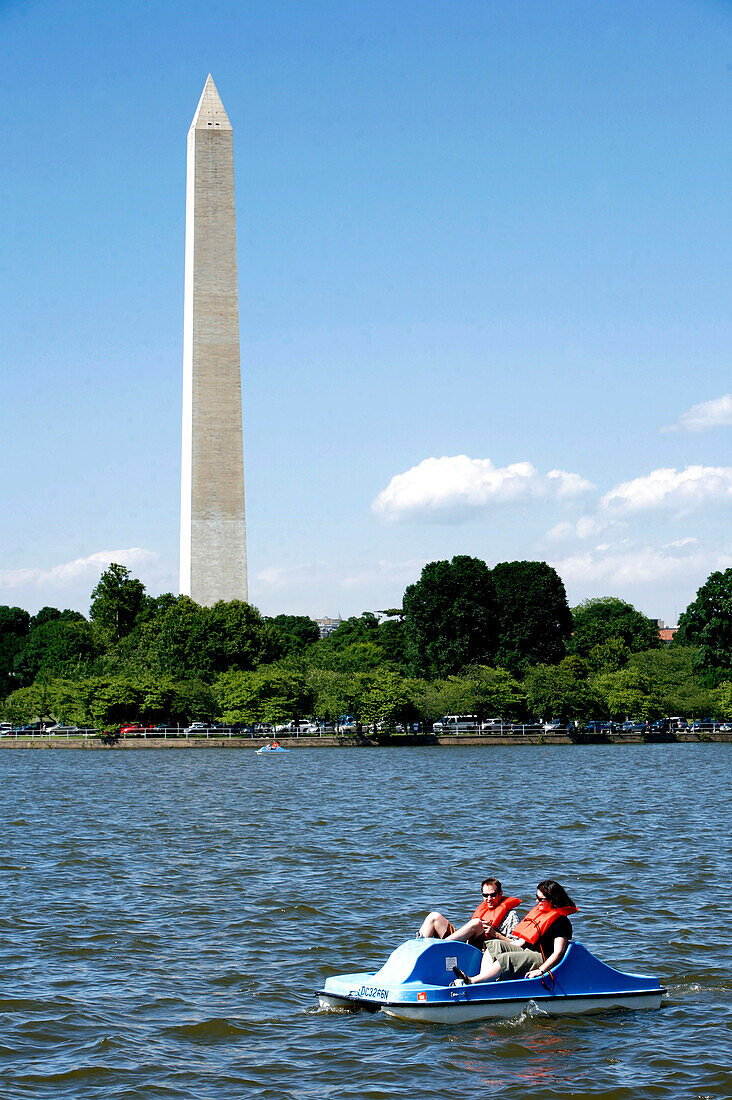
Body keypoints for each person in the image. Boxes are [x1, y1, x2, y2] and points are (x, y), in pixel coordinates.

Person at [451, 879, 577, 985]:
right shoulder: (539, 915)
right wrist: (500, 939)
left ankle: (472, 981)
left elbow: (558, 953)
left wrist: (540, 970)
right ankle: (484, 982)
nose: (536, 902)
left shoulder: (561, 922)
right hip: (527, 950)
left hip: (541, 958)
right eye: (536, 898)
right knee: (494, 945)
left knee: (506, 958)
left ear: (552, 900)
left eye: (541, 899)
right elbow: (520, 942)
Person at [418, 878, 521, 948]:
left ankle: (441, 946)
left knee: (477, 923)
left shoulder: (511, 915)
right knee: (434, 916)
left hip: (484, 949)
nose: (489, 899)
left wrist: (495, 934)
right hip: (466, 943)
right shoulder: (483, 910)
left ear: (500, 894)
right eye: (485, 895)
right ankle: (420, 950)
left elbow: (517, 944)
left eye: (492, 895)